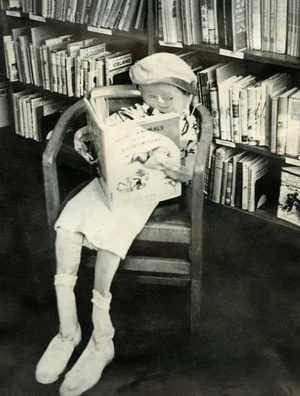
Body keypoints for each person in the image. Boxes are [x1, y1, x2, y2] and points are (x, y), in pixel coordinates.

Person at [35, 53, 200, 396]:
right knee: (67, 229)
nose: (158, 103)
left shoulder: (187, 122)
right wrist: (87, 137)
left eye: (168, 97)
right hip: (109, 186)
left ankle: (102, 337)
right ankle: (69, 331)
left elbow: (193, 163)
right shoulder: (136, 112)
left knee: (110, 241)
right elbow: (108, 137)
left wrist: (183, 170)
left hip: (148, 194)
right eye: (150, 96)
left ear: (188, 95)